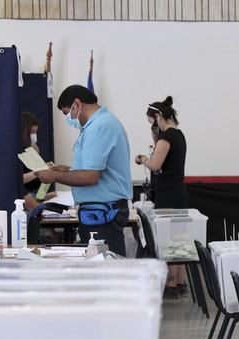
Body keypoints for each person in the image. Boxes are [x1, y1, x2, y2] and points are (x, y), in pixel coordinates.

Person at [34, 85, 133, 257]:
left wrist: (54, 176)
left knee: (107, 273)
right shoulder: (101, 123)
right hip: (100, 211)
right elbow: (96, 167)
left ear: (77, 104)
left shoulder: (99, 126)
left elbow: (90, 176)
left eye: (67, 112)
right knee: (104, 271)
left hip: (103, 213)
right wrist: (65, 169)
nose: (69, 118)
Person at [136, 96, 189, 297]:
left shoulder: (166, 138)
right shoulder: (179, 135)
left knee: (167, 240)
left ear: (158, 118)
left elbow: (155, 165)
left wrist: (142, 158)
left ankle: (170, 284)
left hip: (168, 193)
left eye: (152, 124)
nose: (152, 129)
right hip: (178, 192)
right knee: (179, 238)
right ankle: (180, 283)